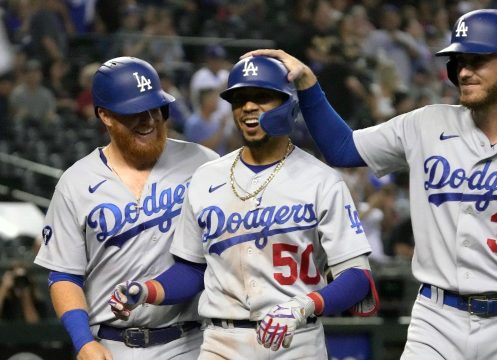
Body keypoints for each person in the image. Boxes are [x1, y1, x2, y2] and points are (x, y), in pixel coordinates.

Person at [246, 8, 497, 360]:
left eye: (478, 60)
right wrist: (309, 86)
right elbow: (342, 148)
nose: (464, 71)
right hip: (436, 318)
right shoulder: (426, 125)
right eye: (458, 61)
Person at [108, 56, 379, 359]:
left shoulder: (321, 180)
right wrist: (147, 291)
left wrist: (305, 304)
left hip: (296, 341)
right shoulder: (206, 177)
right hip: (221, 343)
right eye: (239, 99)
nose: (248, 107)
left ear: (289, 104)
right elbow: (192, 269)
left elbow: (357, 278)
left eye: (262, 97)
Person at [33, 56, 219, 359]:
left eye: (155, 108)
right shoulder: (76, 182)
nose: (149, 120)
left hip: (192, 340)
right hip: (112, 344)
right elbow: (64, 275)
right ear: (105, 116)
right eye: (135, 112)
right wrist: (83, 341)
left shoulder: (204, 164)